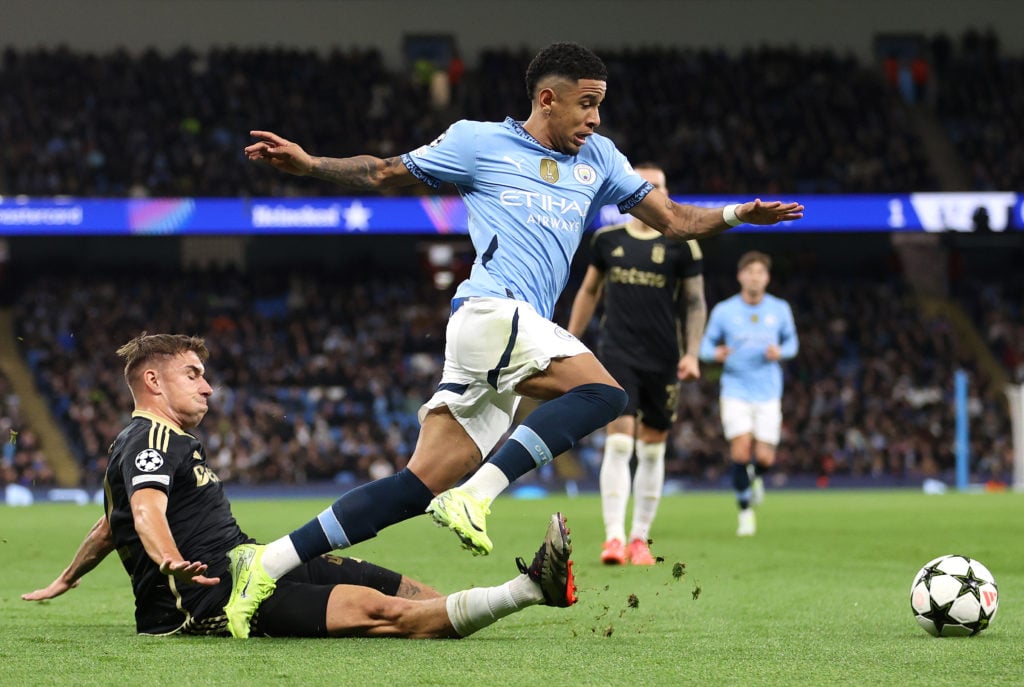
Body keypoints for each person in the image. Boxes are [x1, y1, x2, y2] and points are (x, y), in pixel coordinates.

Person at [234, 41, 802, 635]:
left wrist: (739, 214)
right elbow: (382, 171)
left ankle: (266, 563)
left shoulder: (601, 158)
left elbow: (679, 220)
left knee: (413, 487)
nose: (596, 118)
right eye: (586, 104)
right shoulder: (478, 142)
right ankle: (476, 497)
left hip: (507, 332)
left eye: (601, 105)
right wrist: (310, 164)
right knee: (606, 396)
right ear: (547, 99)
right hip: (491, 311)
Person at [22, 333, 577, 640]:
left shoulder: (159, 444)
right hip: (209, 596)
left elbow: (109, 523)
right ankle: (529, 589)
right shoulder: (151, 439)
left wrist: (66, 578)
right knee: (381, 613)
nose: (209, 388)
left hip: (253, 561)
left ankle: (498, 601)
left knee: (403, 588)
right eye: (193, 374)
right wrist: (168, 560)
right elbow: (142, 514)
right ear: (152, 381)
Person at [566, 162, 706, 565]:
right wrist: (570, 340)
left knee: (651, 451)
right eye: (645, 186)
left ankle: (639, 538)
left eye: (659, 186)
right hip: (618, 353)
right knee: (621, 440)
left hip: (664, 357)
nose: (653, 192)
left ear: (667, 192)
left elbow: (695, 302)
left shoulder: (683, 244)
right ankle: (613, 538)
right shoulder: (607, 240)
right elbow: (589, 291)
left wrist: (692, 352)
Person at [698, 252, 799, 536]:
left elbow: (792, 343)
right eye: (750, 271)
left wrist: (781, 352)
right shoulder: (724, 310)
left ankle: (755, 478)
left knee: (765, 458)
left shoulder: (779, 309)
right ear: (740, 276)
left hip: (768, 390)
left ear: (767, 278)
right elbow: (704, 346)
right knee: (741, 448)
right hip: (735, 388)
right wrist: (714, 353)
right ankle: (745, 512)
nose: (755, 277)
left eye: (760, 272)